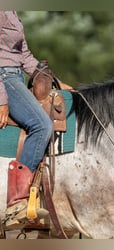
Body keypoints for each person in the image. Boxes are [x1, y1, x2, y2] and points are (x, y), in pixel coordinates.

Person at [0, 11, 55, 229]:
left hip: (16, 77)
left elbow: (24, 56)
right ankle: (17, 203)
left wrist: (54, 80)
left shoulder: (12, 13)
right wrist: (2, 100)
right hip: (5, 78)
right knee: (42, 126)